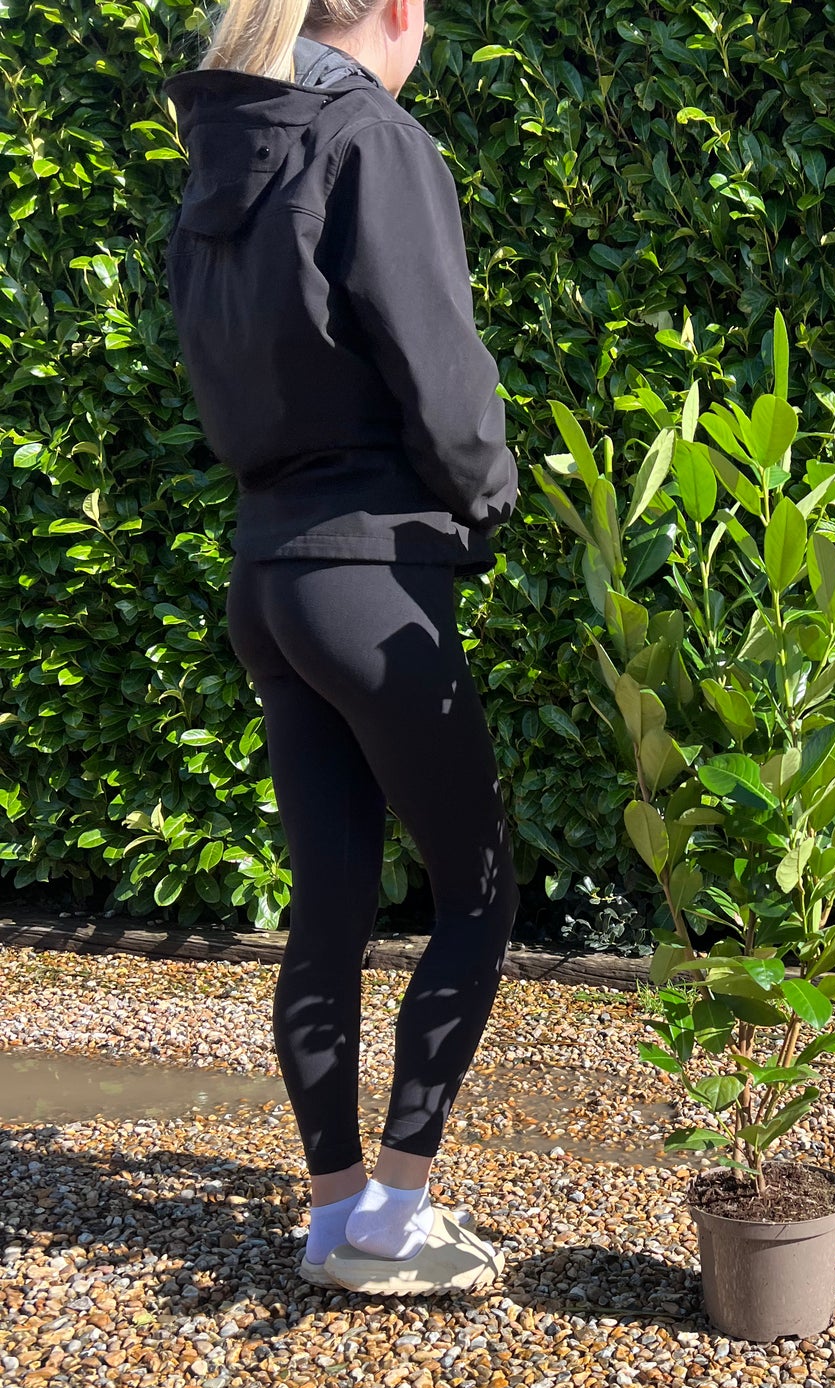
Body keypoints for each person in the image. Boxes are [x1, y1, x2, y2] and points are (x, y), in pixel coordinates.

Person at [163, 0, 520, 1295]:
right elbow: (443, 369)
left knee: (329, 905)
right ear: (400, 15)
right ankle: (392, 1217)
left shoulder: (220, 158)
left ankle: (331, 1217)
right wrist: (485, 504)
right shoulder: (368, 138)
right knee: (478, 892)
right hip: (369, 577)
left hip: (267, 576)